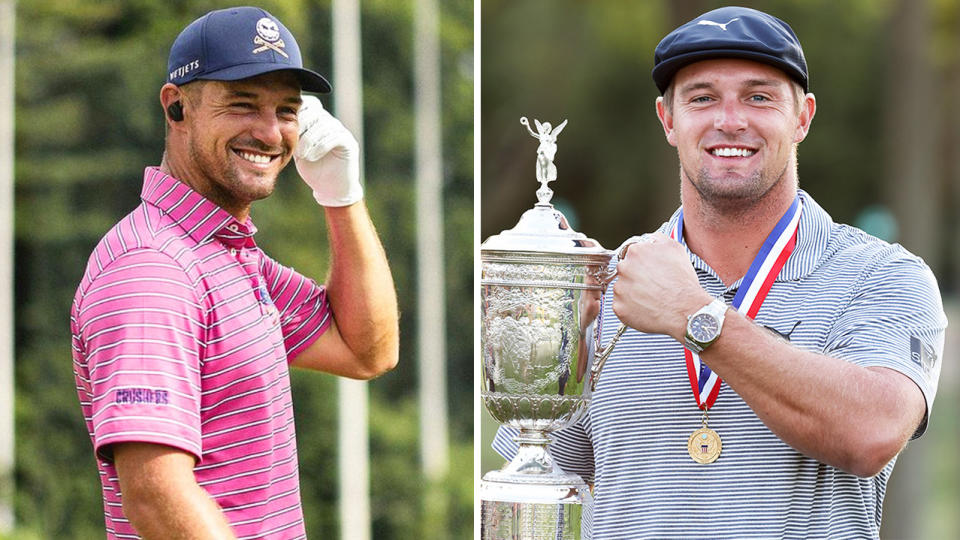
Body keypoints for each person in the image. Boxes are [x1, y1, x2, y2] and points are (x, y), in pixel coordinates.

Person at [493, 6, 946, 538]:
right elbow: (545, 473)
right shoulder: (610, 286)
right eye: (703, 98)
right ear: (668, 120)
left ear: (802, 117)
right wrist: (557, 350)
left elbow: (871, 432)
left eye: (759, 96)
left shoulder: (884, 276)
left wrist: (693, 314)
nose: (730, 120)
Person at [70, 6, 399, 538]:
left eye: (287, 111)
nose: (269, 133)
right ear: (177, 106)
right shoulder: (153, 270)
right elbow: (157, 493)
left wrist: (341, 194)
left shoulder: (225, 253)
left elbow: (367, 349)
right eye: (243, 105)